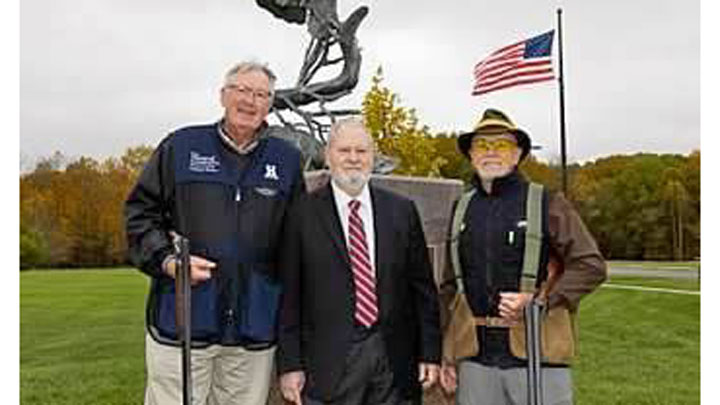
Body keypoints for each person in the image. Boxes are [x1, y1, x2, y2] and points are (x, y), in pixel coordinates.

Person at [124, 61, 305, 405]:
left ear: (270, 104)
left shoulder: (286, 160)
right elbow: (139, 215)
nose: (250, 101)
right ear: (223, 95)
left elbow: (297, 239)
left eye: (261, 94)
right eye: (241, 90)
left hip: (254, 327)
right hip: (184, 323)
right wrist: (167, 261)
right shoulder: (181, 147)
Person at [438, 108, 607, 405]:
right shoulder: (462, 209)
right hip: (475, 361)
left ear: (517, 155)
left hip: (537, 356)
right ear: (471, 155)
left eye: (501, 145)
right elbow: (450, 288)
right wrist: (443, 353)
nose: (491, 152)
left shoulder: (547, 202)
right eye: (481, 145)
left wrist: (541, 302)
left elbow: (590, 265)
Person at [277, 118, 441, 405]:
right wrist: (290, 364)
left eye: (361, 151)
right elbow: (289, 295)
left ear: (372, 157)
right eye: (344, 151)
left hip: (394, 360)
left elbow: (423, 290)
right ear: (328, 156)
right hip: (329, 362)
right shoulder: (300, 214)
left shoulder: (401, 211)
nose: (353, 159)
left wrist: (429, 353)